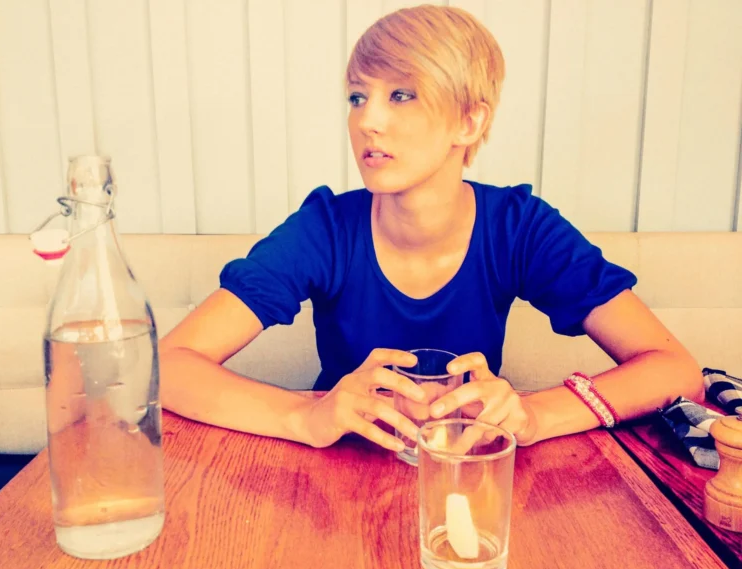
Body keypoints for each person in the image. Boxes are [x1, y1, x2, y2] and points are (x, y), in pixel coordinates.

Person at [159, 5, 703, 453]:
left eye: (401, 94)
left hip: (471, 480)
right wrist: (307, 418)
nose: (367, 120)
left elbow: (674, 369)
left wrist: (535, 414)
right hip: (335, 488)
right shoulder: (325, 227)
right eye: (357, 96)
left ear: (469, 122)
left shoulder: (518, 227)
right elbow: (171, 367)